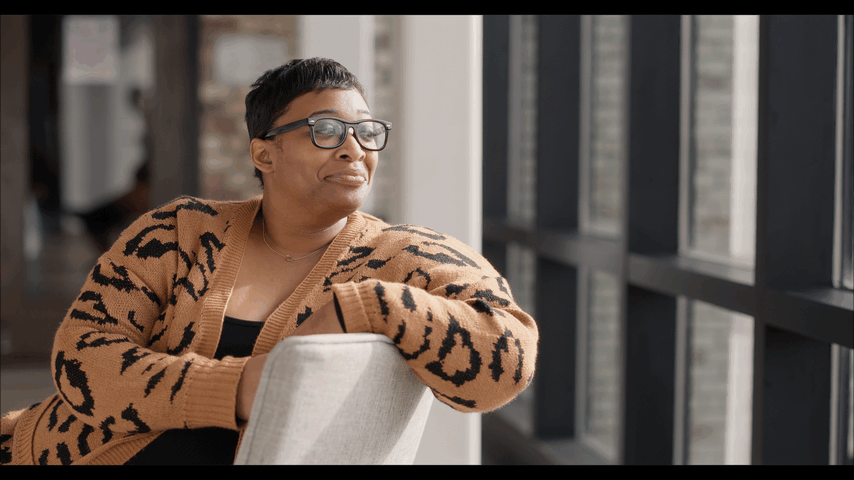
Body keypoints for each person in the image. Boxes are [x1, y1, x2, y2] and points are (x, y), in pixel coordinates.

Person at [0, 58, 539, 465]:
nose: (354, 149)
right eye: (327, 131)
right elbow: (82, 360)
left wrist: (366, 304)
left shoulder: (401, 256)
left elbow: (508, 359)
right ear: (264, 153)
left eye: (366, 132)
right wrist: (240, 387)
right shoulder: (180, 231)